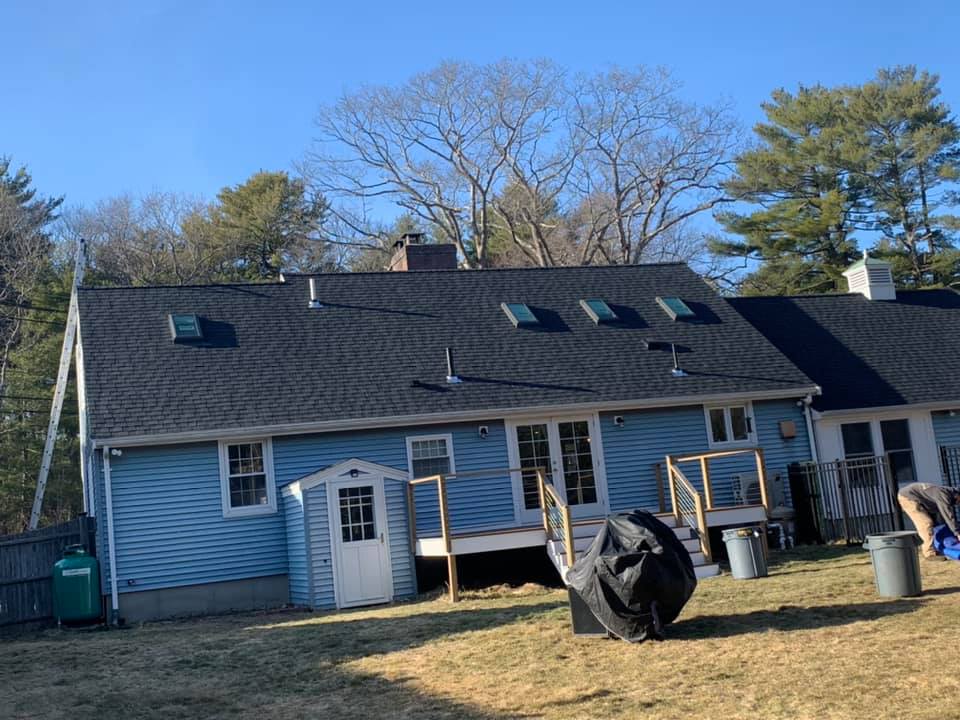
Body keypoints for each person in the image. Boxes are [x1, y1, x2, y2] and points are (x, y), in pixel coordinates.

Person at [897, 483, 960, 560]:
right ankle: (929, 553)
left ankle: (936, 547)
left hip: (921, 501)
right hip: (908, 497)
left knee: (935, 525)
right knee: (926, 523)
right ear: (957, 495)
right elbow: (948, 515)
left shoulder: (947, 494)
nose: (958, 504)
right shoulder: (944, 495)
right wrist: (957, 533)